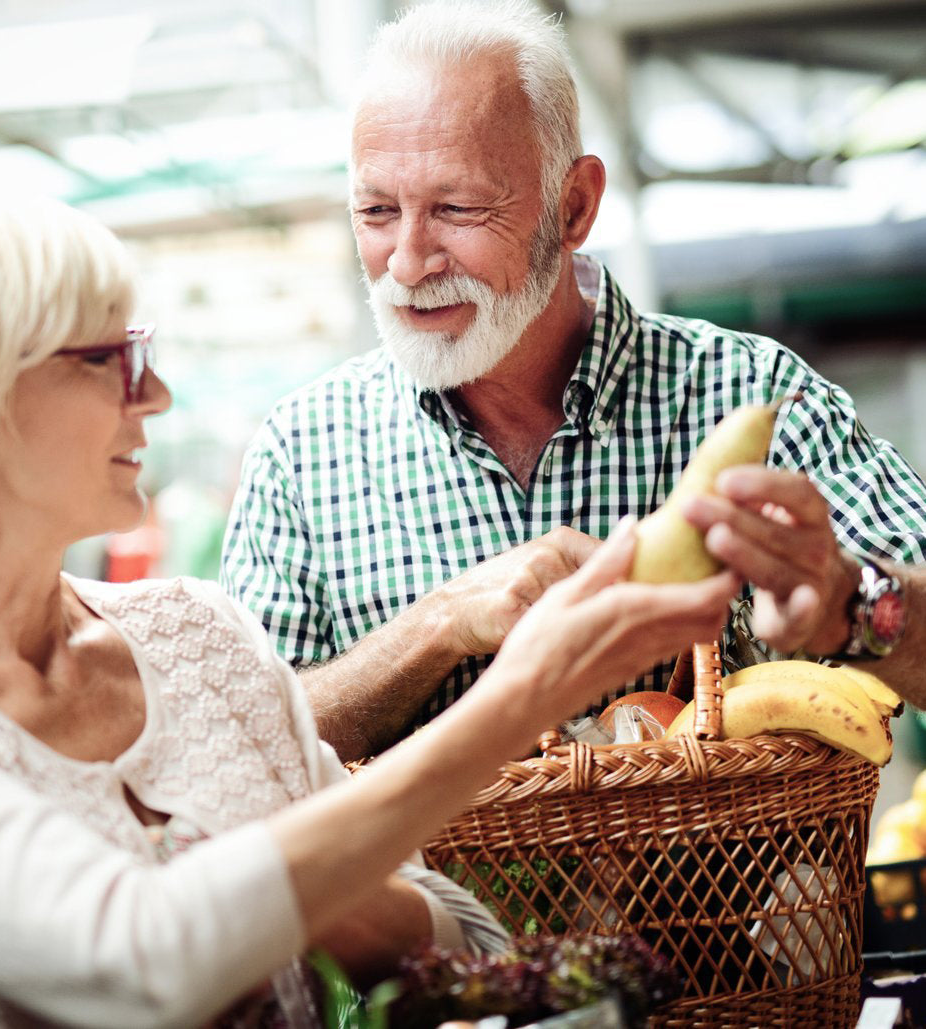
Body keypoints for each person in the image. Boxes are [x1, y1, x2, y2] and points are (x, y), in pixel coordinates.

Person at [0, 190, 736, 1028]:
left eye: (140, 349)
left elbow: (465, 934)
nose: (153, 395)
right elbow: (140, 964)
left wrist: (325, 902)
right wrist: (519, 697)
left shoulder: (196, 633)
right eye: (106, 359)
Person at [221, 0, 926, 763]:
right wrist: (437, 626)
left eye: (456, 208)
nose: (406, 262)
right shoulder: (300, 453)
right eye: (377, 210)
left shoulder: (747, 398)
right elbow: (237, 755)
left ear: (574, 205)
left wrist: (850, 602)